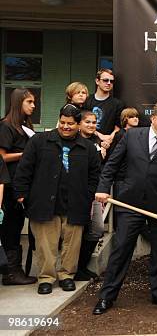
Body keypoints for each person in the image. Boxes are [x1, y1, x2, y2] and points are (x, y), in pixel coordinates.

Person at [92, 101, 157, 315]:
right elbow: (112, 165)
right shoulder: (131, 136)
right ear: (153, 118)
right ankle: (107, 297)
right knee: (121, 248)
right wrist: (103, 188)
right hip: (129, 202)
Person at [12, 104, 100, 294]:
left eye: (70, 124)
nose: (65, 127)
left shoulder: (88, 148)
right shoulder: (39, 141)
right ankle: (46, 278)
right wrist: (21, 193)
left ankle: (67, 276)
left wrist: (88, 194)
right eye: (62, 122)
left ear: (78, 125)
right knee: (45, 244)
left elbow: (95, 175)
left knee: (72, 244)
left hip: (75, 203)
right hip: (44, 202)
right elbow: (24, 168)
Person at [0, 88, 37, 286]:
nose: (33, 105)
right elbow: (2, 157)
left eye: (34, 102)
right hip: (9, 187)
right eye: (29, 102)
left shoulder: (24, 127)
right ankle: (11, 272)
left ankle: (15, 270)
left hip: (22, 184)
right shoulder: (6, 126)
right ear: (18, 103)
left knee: (15, 226)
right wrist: (26, 154)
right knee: (11, 228)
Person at [74, 111, 106, 281]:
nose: (91, 125)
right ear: (79, 124)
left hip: (95, 193)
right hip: (79, 194)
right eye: (87, 122)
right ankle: (76, 269)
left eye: (94, 122)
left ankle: (82, 266)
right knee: (80, 230)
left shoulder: (97, 142)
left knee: (97, 228)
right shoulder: (75, 141)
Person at [83, 68, 125, 150]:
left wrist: (109, 138)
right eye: (105, 80)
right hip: (88, 143)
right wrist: (100, 136)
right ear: (97, 81)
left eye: (111, 81)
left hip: (110, 145)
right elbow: (81, 123)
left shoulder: (117, 104)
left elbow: (118, 127)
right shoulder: (87, 101)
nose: (109, 83)